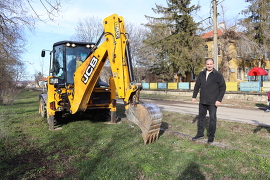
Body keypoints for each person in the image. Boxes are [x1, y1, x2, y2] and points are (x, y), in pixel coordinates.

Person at [191, 58, 226, 144]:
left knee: (212, 119)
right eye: (207, 64)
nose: (209, 65)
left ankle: (211, 137)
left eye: (211, 64)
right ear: (205, 65)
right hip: (202, 101)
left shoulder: (218, 75)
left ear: (213, 65)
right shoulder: (202, 74)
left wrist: (219, 100)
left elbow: (223, 88)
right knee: (201, 118)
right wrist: (194, 96)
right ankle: (200, 134)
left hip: (213, 102)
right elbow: (197, 86)